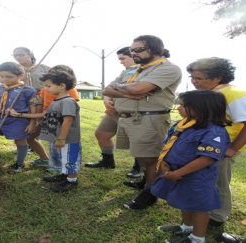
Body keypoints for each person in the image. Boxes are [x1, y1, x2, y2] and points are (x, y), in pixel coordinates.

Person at [102, 35, 182, 209]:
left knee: (151, 158)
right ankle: (147, 181)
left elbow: (138, 88)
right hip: (129, 118)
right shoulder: (135, 69)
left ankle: (151, 193)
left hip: (150, 118)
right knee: (142, 156)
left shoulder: (168, 68)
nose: (134, 53)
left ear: (154, 49)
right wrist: (126, 92)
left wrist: (127, 89)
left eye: (138, 49)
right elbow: (106, 89)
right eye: (132, 50)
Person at [152, 90, 231, 243]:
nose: (178, 108)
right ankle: (187, 227)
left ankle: (197, 238)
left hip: (197, 176)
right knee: (185, 200)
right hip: (175, 171)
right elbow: (168, 145)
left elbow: (206, 159)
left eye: (183, 106)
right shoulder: (181, 125)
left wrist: (177, 173)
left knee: (199, 206)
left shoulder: (215, 131)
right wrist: (165, 165)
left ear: (203, 108)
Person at [187, 57, 246, 226]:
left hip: (221, 149)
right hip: (204, 147)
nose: (194, 82)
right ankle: (202, 212)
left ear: (218, 78)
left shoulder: (234, 95)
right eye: (192, 78)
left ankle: (217, 217)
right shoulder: (211, 95)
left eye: (199, 78)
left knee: (218, 183)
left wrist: (233, 149)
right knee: (203, 181)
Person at [8, 65, 81, 193]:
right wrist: (20, 114)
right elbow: (43, 114)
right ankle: (63, 175)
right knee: (58, 157)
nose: (45, 89)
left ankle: (71, 181)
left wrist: (62, 138)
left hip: (67, 139)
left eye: (48, 86)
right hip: (56, 136)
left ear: (62, 85)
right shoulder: (56, 100)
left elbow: (68, 120)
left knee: (69, 159)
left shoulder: (67, 101)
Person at [85, 46, 142, 178]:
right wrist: (106, 100)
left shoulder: (144, 71)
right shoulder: (125, 71)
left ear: (134, 56)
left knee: (137, 141)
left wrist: (116, 92)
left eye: (123, 58)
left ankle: (138, 167)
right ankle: (107, 161)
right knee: (101, 134)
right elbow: (108, 88)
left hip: (131, 113)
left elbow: (135, 90)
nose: (121, 61)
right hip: (113, 111)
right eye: (119, 59)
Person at [30, 65, 80, 167]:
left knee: (64, 148)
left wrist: (62, 136)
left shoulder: (69, 94)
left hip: (60, 122)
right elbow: (42, 104)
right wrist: (39, 118)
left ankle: (68, 175)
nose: (46, 87)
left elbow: (69, 113)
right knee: (51, 145)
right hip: (47, 121)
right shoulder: (47, 90)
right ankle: (54, 165)